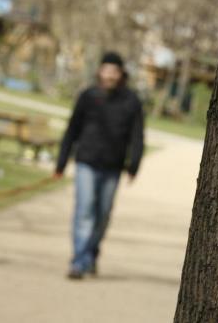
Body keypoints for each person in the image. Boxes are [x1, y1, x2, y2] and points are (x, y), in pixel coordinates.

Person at [55, 52, 144, 279]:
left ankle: (91, 253)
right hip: (86, 162)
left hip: (113, 167)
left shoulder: (131, 101)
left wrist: (134, 165)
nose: (110, 75)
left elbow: (137, 135)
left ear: (121, 74)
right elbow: (72, 129)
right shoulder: (87, 96)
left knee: (102, 215)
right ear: (99, 71)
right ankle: (79, 262)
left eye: (114, 71)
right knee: (84, 210)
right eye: (106, 70)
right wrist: (61, 162)